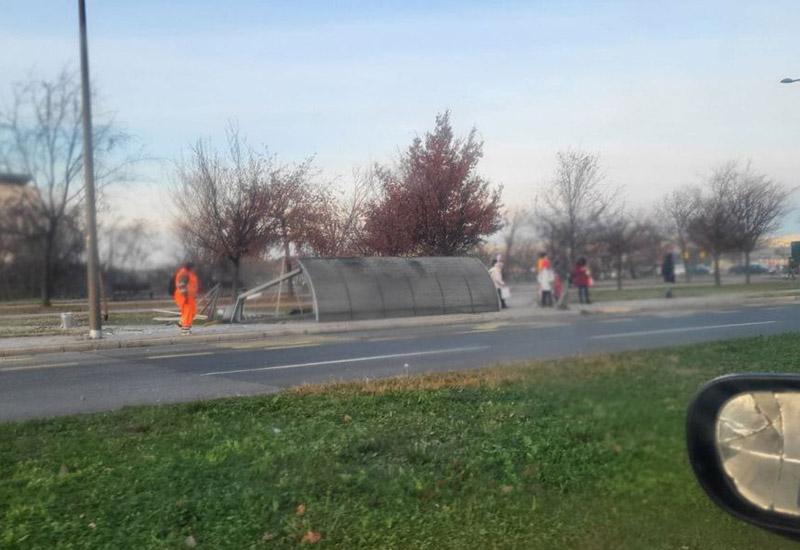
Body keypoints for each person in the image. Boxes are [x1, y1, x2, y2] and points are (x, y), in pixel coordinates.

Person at [173, 262, 199, 335]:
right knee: (188, 312)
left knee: (192, 312)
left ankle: (181, 322)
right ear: (190, 267)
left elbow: (192, 286)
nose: (195, 269)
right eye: (194, 267)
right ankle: (185, 329)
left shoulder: (190, 274)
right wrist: (185, 296)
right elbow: (182, 285)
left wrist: (193, 295)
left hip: (189, 296)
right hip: (184, 296)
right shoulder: (184, 273)